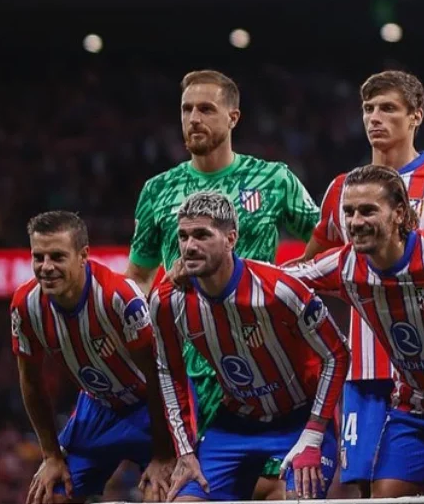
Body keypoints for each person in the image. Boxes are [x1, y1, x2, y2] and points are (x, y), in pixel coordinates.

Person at [125, 70, 320, 499]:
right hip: (192, 373)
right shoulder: (159, 190)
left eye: (206, 109)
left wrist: (290, 283)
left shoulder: (273, 179)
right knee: (193, 488)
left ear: (233, 117)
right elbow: (136, 277)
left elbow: (325, 238)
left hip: (266, 363)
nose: (193, 118)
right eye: (186, 109)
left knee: (272, 489)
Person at [294, 70, 424, 496]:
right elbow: (310, 267)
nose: (374, 118)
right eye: (368, 109)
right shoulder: (343, 190)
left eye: (387, 108)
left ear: (416, 115)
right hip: (368, 370)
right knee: (371, 489)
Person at [285, 165, 424, 498]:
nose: (355, 222)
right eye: (349, 212)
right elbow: (275, 281)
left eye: (368, 211)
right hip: (414, 407)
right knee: (384, 496)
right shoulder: (344, 264)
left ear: (399, 213)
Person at [150, 192, 349, 502]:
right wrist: (185, 452)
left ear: (231, 239)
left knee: (300, 499)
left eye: (202, 235)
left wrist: (313, 432)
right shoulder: (168, 301)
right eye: (184, 236)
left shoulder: (279, 290)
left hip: (299, 418)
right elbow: (167, 372)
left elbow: (337, 354)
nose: (189, 246)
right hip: (235, 424)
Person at [11, 211, 174, 503]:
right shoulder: (25, 305)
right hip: (97, 407)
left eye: (57, 257)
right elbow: (31, 382)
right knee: (49, 497)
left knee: (161, 495)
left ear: (83, 255)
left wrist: (164, 454)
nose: (46, 267)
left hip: (150, 406)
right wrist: (51, 456)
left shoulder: (120, 297)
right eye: (39, 257)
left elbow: (158, 376)